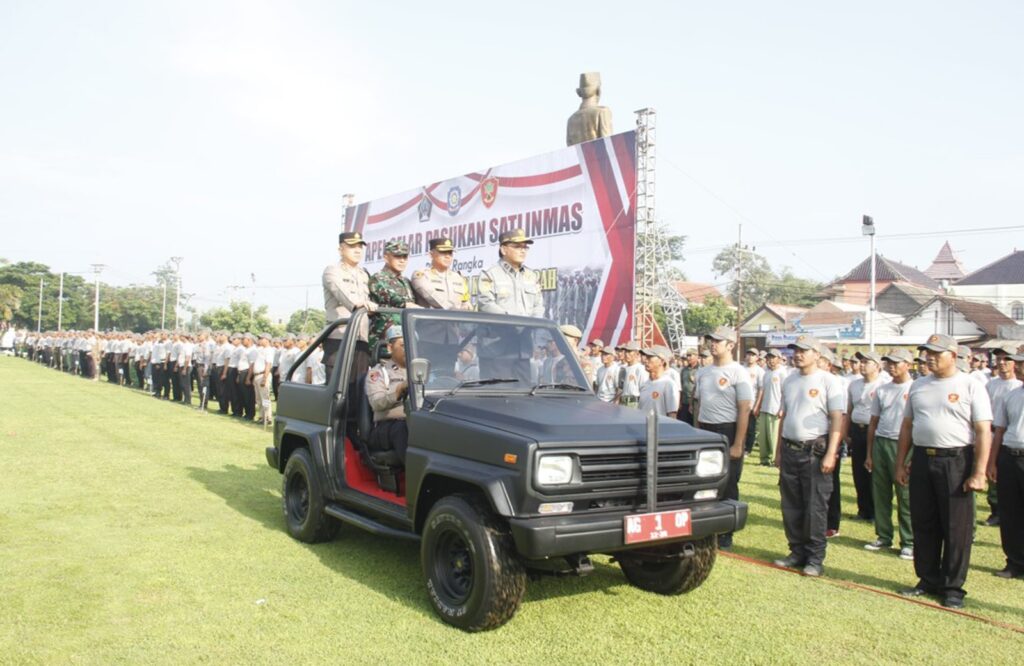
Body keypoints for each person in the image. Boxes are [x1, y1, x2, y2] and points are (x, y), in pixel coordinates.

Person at [896, 334, 992, 609]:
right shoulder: (919, 386)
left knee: (955, 527)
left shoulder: (970, 385)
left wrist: (979, 471)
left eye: (936, 353)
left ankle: (952, 587)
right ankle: (927, 579)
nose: (930, 357)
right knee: (924, 522)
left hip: (957, 461)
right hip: (924, 460)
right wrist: (900, 463)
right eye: (927, 352)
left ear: (954, 354)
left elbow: (983, 430)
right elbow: (907, 427)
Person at [773, 335, 846, 577]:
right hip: (790, 448)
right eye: (796, 350)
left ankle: (815, 558)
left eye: (804, 350)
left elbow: (837, 419)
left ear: (817, 354)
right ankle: (796, 551)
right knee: (791, 504)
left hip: (815, 451)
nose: (798, 354)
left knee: (815, 507)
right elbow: (785, 415)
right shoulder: (790, 380)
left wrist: (831, 454)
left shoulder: (829, 381)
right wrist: (778, 451)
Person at [694, 326, 752, 550]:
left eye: (718, 341)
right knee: (704, 481)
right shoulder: (703, 372)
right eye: (711, 340)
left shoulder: (738, 372)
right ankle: (706, 527)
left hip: (727, 430)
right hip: (706, 430)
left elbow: (744, 409)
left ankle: (726, 533)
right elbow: (698, 405)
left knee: (728, 483)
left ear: (731, 345)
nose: (713, 344)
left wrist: (738, 443)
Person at [864, 349, 915, 560]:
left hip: (902, 443)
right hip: (881, 442)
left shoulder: (914, 388)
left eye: (896, 362)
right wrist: (869, 453)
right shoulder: (882, 389)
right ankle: (884, 535)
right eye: (889, 363)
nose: (891, 366)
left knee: (904, 495)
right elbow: (873, 422)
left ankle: (909, 541)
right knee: (881, 492)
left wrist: (910, 455)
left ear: (908, 365)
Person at [987, 345, 1024, 579]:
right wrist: (992, 463)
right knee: (1010, 514)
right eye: (1018, 363)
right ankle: (1014, 562)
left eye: (1021, 362)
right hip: (1010, 457)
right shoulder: (1011, 395)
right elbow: (999, 431)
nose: (1018, 367)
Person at [323, 231, 377, 379]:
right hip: (339, 338)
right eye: (352, 246)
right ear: (341, 249)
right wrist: (360, 304)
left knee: (358, 391)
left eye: (360, 246)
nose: (358, 250)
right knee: (337, 394)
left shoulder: (364, 274)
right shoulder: (332, 271)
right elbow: (345, 294)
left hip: (361, 339)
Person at [983, 344, 1023, 527]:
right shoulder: (991, 385)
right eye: (998, 359)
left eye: (1007, 359)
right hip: (996, 436)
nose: (1002, 363)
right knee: (996, 478)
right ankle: (996, 510)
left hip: (1015, 439)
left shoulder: (1016, 386)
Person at [845, 351, 888, 522]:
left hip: (876, 432)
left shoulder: (884, 385)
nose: (862, 365)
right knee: (858, 473)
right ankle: (863, 510)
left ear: (877, 366)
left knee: (874, 473)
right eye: (860, 362)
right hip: (857, 430)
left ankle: (877, 512)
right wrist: (845, 432)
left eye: (866, 362)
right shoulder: (854, 385)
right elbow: (849, 410)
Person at [365, 325, 410, 463]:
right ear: (390, 348)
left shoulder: (420, 370)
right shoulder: (378, 372)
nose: (408, 349)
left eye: (411, 345)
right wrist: (397, 392)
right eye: (403, 345)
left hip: (416, 421)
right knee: (403, 429)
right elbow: (377, 403)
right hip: (388, 426)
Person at [477, 228, 544, 317]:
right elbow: (486, 303)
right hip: (501, 329)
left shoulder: (532, 276)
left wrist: (532, 326)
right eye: (517, 247)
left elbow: (538, 305)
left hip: (529, 329)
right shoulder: (489, 274)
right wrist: (511, 322)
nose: (523, 251)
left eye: (525, 247)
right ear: (503, 250)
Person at [368, 239, 420, 351]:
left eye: (405, 257)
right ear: (386, 257)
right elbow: (390, 297)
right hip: (385, 340)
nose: (402, 260)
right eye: (397, 256)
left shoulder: (406, 281)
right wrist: (407, 304)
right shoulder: (377, 278)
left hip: (406, 337)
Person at [411, 237, 471, 310]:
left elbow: (466, 302)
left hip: (456, 320)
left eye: (450, 253)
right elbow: (432, 296)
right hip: (431, 319)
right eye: (443, 252)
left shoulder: (459, 278)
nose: (447, 256)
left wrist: (465, 309)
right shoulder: (421, 275)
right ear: (431, 255)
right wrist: (453, 311)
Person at [754, 348, 788, 467]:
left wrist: (782, 408)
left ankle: (774, 460)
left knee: (773, 437)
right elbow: (762, 391)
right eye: (769, 358)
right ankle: (764, 459)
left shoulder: (783, 373)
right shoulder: (766, 372)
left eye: (773, 357)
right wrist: (757, 406)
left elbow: (785, 392)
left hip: (775, 409)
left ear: (779, 359)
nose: (770, 360)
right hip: (765, 408)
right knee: (763, 437)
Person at [638, 346, 679, 418]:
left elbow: (672, 416)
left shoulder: (668, 384)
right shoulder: (644, 384)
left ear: (662, 361)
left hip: (659, 428)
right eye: (646, 357)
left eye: (649, 357)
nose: (645, 361)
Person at [744, 349, 765, 454]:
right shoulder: (742, 369)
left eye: (753, 355)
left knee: (750, 428)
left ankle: (748, 448)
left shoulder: (759, 371)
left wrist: (757, 405)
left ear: (757, 358)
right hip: (740, 403)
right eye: (748, 354)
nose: (750, 357)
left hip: (752, 404)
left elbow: (761, 389)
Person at [618, 341, 648, 408]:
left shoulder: (640, 369)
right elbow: (620, 389)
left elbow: (644, 391)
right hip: (623, 401)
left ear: (637, 353)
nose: (626, 354)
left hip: (634, 402)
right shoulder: (623, 369)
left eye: (629, 351)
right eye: (625, 351)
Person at [678, 349, 700, 424]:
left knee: (695, 425)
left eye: (690, 355)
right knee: (683, 424)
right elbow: (681, 386)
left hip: (695, 403)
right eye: (687, 356)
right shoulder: (684, 370)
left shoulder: (700, 370)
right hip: (684, 402)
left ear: (696, 356)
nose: (688, 358)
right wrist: (680, 402)